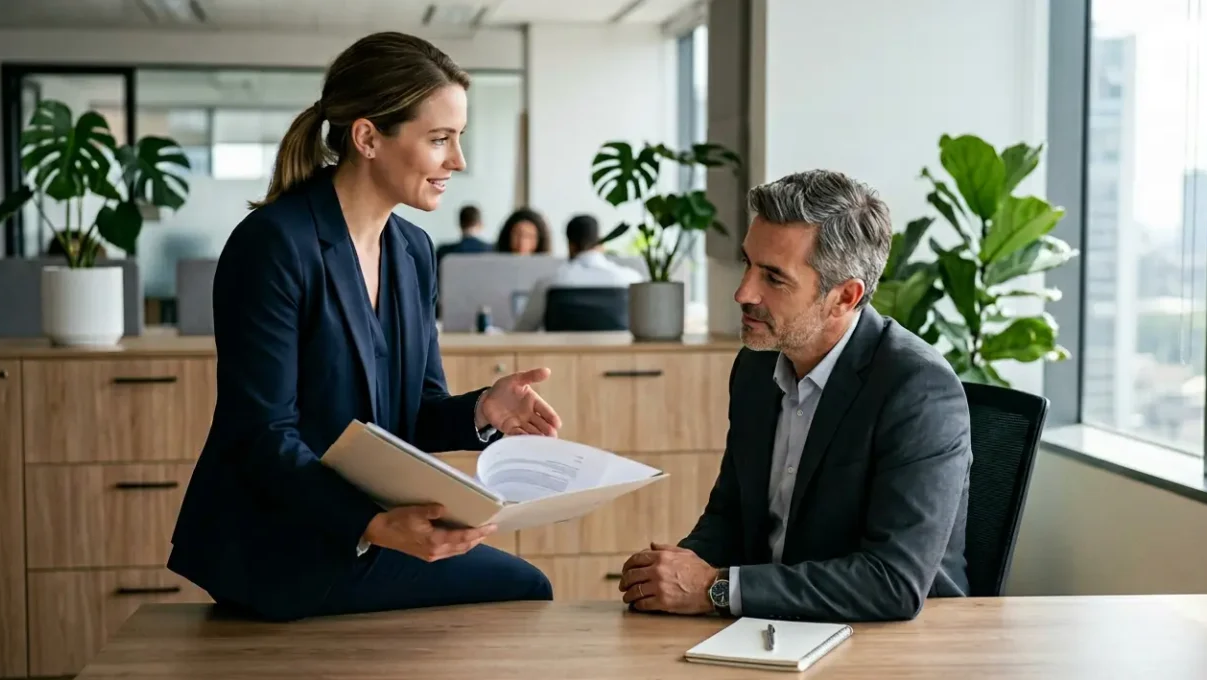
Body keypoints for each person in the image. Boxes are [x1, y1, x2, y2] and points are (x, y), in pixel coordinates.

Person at [167, 31, 563, 623]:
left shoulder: (412, 250)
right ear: (368, 137)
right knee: (525, 589)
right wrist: (375, 525)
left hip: (367, 531)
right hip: (282, 543)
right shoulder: (275, 244)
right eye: (439, 140)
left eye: (458, 139)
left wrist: (483, 410)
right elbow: (262, 435)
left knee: (518, 585)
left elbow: (413, 414)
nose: (458, 161)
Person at [616, 170, 972, 622]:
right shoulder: (758, 364)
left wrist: (714, 588)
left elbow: (892, 582)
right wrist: (670, 576)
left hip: (895, 639)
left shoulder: (918, 390)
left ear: (844, 296)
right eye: (748, 263)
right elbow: (731, 514)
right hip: (778, 625)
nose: (743, 292)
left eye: (774, 278)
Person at [513, 214, 643, 331]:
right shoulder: (631, 280)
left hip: (562, 357)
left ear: (570, 246)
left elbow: (523, 331)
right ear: (601, 243)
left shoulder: (549, 283)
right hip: (619, 357)